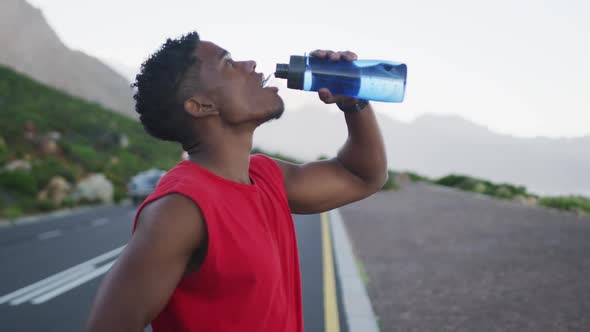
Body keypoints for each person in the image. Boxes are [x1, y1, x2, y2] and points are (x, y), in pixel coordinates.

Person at [85, 31, 388, 332]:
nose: (250, 64)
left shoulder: (266, 176)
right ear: (201, 105)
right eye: (227, 63)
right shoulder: (180, 210)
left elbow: (363, 176)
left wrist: (353, 101)